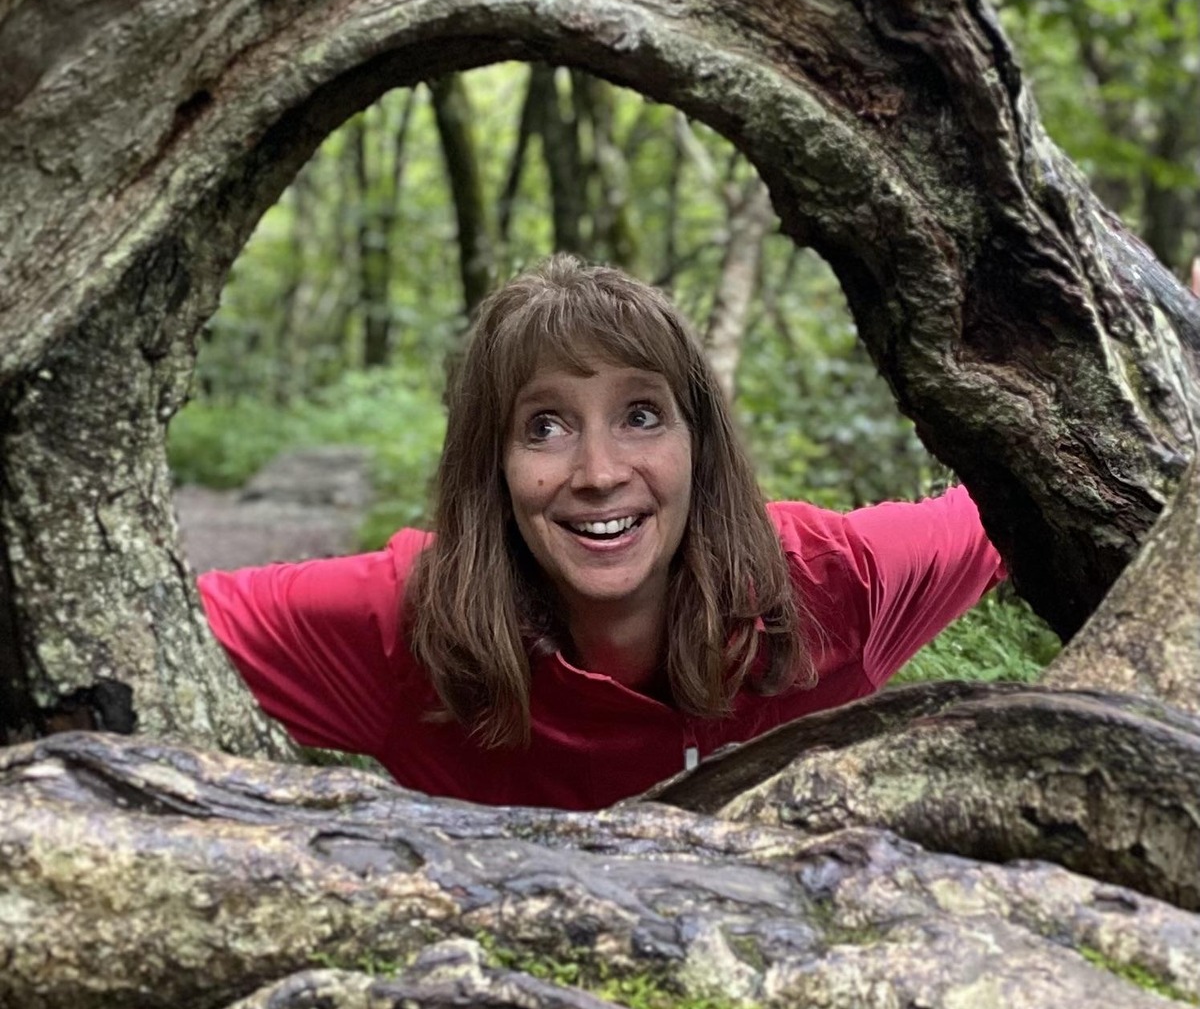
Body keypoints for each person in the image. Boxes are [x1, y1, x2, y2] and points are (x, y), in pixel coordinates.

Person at [199, 256, 1003, 809]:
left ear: (700, 445)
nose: (598, 471)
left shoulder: (836, 584)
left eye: (641, 415)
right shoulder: (410, 623)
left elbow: (1019, 506)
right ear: (495, 468)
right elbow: (151, 617)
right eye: (544, 426)